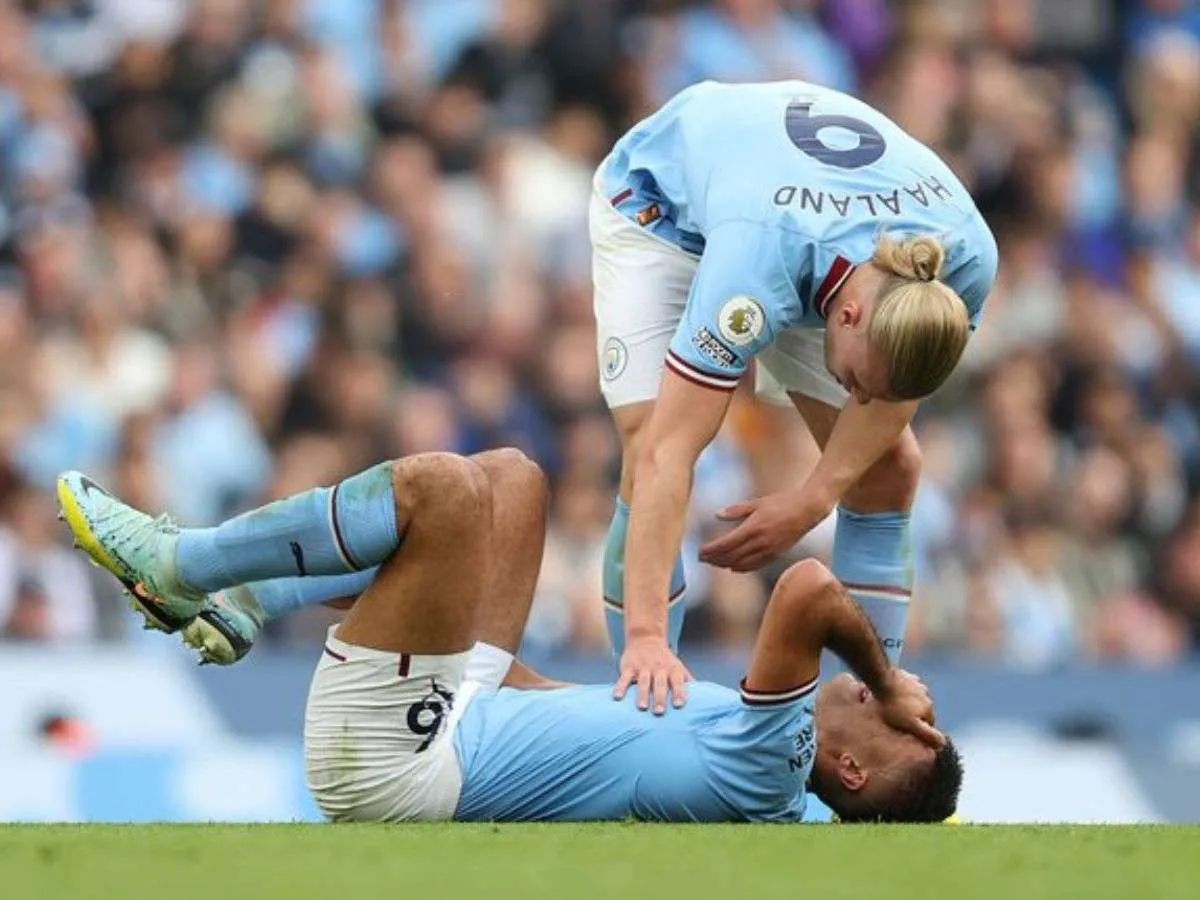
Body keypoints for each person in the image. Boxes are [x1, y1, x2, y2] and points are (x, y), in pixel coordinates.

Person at [56, 451, 959, 823]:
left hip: (399, 763)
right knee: (515, 481)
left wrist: (882, 678)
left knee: (443, 495)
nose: (905, 703)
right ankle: (244, 599)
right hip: (465, 708)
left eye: (907, 727)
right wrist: (438, 607)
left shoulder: (774, 760)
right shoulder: (773, 783)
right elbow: (559, 719)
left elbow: (807, 589)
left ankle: (189, 565)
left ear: (852, 771)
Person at [591, 80, 998, 712]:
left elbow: (891, 400)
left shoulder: (963, 258)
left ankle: (875, 704)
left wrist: (814, 499)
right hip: (659, 205)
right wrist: (645, 635)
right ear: (852, 315)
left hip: (794, 217)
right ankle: (642, 686)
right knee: (650, 432)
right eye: (863, 383)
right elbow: (667, 456)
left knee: (888, 468)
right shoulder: (755, 267)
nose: (862, 397)